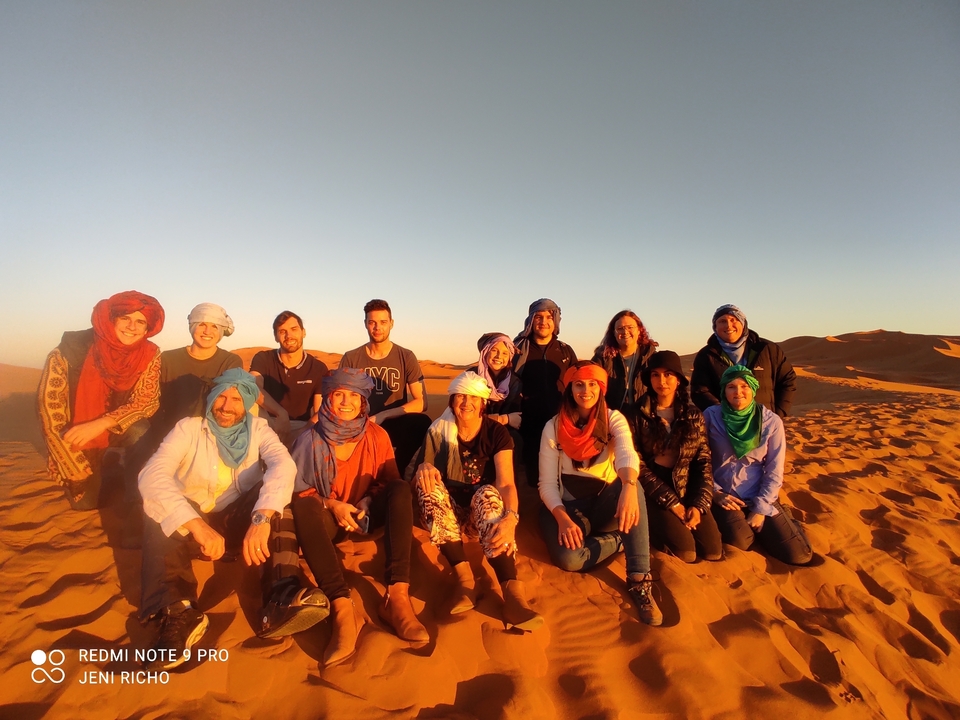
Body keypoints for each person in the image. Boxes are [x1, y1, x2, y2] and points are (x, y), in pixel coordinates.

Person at [138, 369, 328, 671]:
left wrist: (261, 517)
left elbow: (283, 466)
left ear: (249, 403)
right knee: (158, 507)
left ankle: (281, 595)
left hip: (238, 525)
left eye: (237, 399)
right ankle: (179, 611)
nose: (227, 406)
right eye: (222, 396)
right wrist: (197, 525)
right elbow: (152, 475)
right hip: (192, 529)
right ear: (212, 397)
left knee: (277, 499)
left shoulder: (260, 429)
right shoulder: (189, 429)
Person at [289, 368, 428, 667]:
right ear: (328, 398)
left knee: (401, 490)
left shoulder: (376, 435)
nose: (345, 401)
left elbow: (389, 480)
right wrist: (333, 505)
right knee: (305, 508)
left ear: (363, 401)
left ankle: (397, 598)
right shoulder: (308, 440)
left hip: (365, 516)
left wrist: (367, 499)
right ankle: (341, 607)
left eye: (353, 395)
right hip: (329, 521)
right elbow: (298, 492)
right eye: (338, 394)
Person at [411, 372, 542, 631]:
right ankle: (463, 579)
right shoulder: (438, 430)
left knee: (488, 494)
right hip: (448, 518)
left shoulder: (496, 433)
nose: (466, 402)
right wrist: (424, 467)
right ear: (451, 401)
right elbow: (423, 466)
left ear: (484, 403)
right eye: (460, 395)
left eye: (473, 397)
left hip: (481, 516)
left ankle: (512, 593)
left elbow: (506, 482)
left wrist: (511, 518)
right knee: (428, 486)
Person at [538, 362, 662, 626]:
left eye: (593, 384)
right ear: (570, 388)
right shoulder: (553, 427)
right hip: (568, 509)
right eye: (579, 384)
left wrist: (628, 486)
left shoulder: (614, 419)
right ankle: (620, 540)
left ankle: (639, 578)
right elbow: (546, 484)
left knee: (632, 482)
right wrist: (562, 519)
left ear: (601, 388)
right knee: (570, 559)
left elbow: (627, 453)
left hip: (605, 502)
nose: (586, 390)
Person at [121, 303, 243, 547]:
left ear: (221, 331)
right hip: (166, 430)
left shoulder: (230, 361)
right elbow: (151, 398)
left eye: (214, 326)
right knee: (136, 437)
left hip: (207, 434)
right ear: (192, 326)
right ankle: (136, 514)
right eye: (202, 324)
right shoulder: (168, 358)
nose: (207, 331)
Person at [38, 290, 164, 511]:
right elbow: (50, 411)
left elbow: (147, 401)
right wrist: (70, 462)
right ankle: (107, 468)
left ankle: (136, 499)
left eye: (140, 322)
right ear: (112, 319)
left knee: (140, 429)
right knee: (85, 505)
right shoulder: (69, 351)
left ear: (147, 328)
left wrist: (102, 423)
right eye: (125, 318)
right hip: (75, 433)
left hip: (114, 428)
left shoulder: (149, 354)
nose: (132, 327)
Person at [703, 365, 813, 565]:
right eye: (731, 387)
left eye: (744, 386)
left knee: (799, 555)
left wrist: (761, 508)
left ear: (753, 389)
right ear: (723, 391)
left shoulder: (771, 422)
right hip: (724, 496)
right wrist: (715, 492)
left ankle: (786, 520)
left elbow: (774, 469)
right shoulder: (711, 416)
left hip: (758, 494)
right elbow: (699, 459)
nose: (738, 392)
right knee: (742, 541)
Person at [631, 351, 722, 563]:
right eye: (655, 375)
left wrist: (699, 505)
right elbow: (638, 465)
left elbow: (703, 461)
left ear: (679, 379)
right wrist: (671, 503)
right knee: (686, 553)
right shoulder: (636, 414)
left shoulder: (693, 415)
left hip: (687, 486)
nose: (662, 381)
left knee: (712, 551)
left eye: (668, 374)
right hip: (654, 491)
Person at [339, 299, 431, 473]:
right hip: (360, 423)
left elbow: (421, 402)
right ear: (365, 324)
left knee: (421, 423)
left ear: (391, 324)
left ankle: (396, 470)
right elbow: (341, 397)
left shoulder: (406, 356)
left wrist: (383, 415)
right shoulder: (351, 358)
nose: (377, 327)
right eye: (372, 322)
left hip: (394, 422)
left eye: (383, 322)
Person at [691, 304, 797, 418]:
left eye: (734, 320)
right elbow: (700, 390)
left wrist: (778, 413)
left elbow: (787, 380)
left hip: (764, 422)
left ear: (743, 323)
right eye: (722, 321)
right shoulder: (706, 355)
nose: (728, 325)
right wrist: (720, 414)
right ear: (715, 326)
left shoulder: (767, 349)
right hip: (724, 425)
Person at [513, 298, 577, 487]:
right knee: (534, 478)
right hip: (528, 423)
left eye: (549, 317)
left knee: (561, 472)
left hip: (561, 420)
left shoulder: (565, 350)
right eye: (538, 317)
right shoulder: (517, 349)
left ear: (555, 320)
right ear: (531, 320)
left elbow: (575, 382)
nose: (543, 322)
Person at [250, 311, 328, 446]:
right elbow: (252, 387)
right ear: (275, 336)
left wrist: (301, 433)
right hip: (268, 422)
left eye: (294, 329)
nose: (289, 335)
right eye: (282, 331)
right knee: (247, 399)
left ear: (303, 332)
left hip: (301, 426)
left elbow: (319, 410)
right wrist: (281, 413)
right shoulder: (263, 358)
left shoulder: (318, 368)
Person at [591, 310, 657, 412]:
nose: (625, 332)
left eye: (630, 327)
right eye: (620, 328)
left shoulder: (651, 357)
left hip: (643, 421)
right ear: (614, 332)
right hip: (611, 420)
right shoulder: (602, 358)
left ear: (639, 330)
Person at [467, 332, 522, 430]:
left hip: (501, 432)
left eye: (505, 353)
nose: (498, 356)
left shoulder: (514, 382)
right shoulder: (471, 376)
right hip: (472, 430)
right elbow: (465, 414)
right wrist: (502, 419)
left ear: (510, 357)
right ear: (485, 351)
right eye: (494, 350)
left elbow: (514, 418)